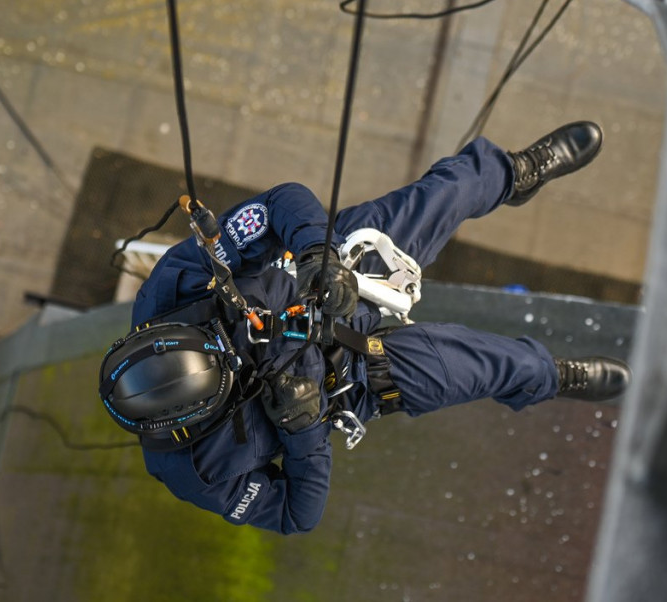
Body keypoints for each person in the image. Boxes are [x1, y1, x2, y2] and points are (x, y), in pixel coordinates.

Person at [99, 121, 631, 535]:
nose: (235, 351)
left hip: (326, 281)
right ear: (194, 417)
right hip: (354, 380)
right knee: (488, 366)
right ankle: (553, 376)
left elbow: (282, 201)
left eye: (217, 341)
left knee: (444, 193)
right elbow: (295, 515)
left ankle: (513, 172)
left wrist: (316, 255)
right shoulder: (195, 473)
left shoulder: (172, 288)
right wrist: (304, 429)